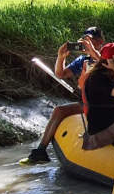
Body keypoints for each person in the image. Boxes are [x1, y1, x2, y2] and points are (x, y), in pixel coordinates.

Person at [22, 27, 104, 164]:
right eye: (84, 41)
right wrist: (61, 57)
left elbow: (108, 65)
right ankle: (41, 151)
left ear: (100, 42)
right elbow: (61, 74)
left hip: (105, 103)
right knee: (59, 111)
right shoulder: (83, 60)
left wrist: (92, 51)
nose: (85, 44)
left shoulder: (107, 54)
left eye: (89, 41)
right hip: (88, 102)